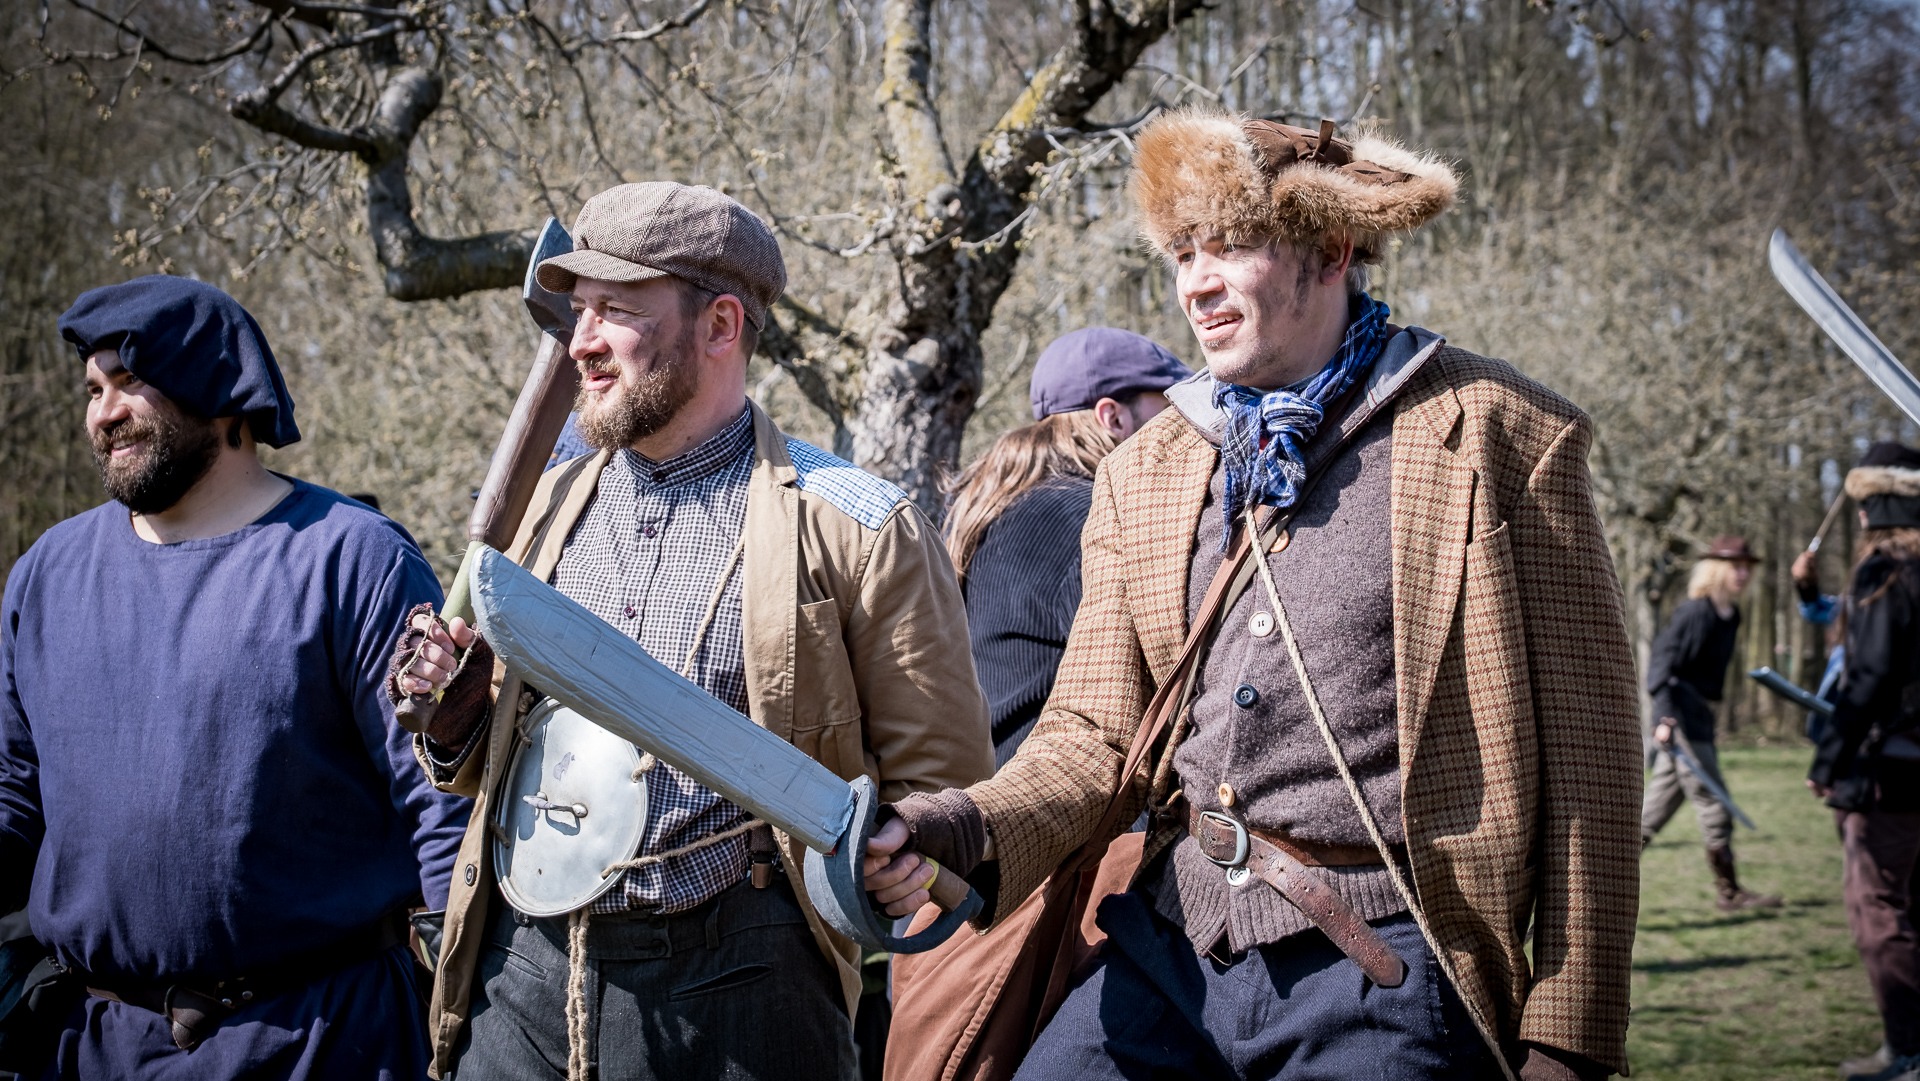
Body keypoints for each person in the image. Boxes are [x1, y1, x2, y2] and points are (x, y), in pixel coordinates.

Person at [866, 111, 1643, 1080]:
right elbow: (1089, 736)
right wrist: (956, 825)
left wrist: (1569, 1040)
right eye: (1184, 251)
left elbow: (1591, 770)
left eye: (1230, 244)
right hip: (1170, 948)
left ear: (1332, 249)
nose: (1196, 281)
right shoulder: (1146, 469)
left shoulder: (1499, 434)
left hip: (1385, 966)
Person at [394, 181, 994, 1081]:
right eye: (579, 309)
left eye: (616, 310)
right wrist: (457, 718)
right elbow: (501, 764)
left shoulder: (858, 525)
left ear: (720, 325)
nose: (581, 340)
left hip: (742, 987)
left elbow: (945, 793)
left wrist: (902, 850)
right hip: (522, 975)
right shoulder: (542, 507)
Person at [0, 275, 469, 1079]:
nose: (103, 412)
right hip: (90, 1047)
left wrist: (472, 1022)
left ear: (219, 391)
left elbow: (443, 806)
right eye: (92, 389)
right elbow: (13, 801)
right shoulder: (48, 573)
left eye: (130, 381)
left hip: (323, 1043)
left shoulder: (349, 557)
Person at [944, 328, 1190, 763]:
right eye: (1171, 409)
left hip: (999, 778)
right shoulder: (1087, 517)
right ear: (1113, 417)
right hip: (1061, 788)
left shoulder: (993, 506)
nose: (1186, 428)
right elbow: (1164, 683)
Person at [1808, 442, 1920, 1081]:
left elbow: (1870, 677)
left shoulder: (1886, 572)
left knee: (1877, 907)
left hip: (1894, 770)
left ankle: (1909, 1052)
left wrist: (1829, 759)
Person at [1640, 535, 1782, 912]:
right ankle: (1729, 893)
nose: (1742, 574)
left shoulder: (1730, 615)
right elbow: (1662, 666)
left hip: (1698, 716)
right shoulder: (1695, 612)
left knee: (1651, 814)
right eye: (1735, 566)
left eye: (1746, 568)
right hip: (1680, 718)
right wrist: (1663, 717)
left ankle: (1597, 878)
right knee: (1714, 802)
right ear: (1715, 569)